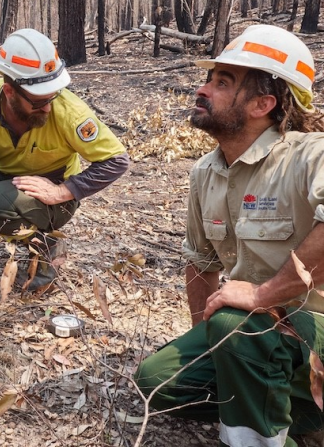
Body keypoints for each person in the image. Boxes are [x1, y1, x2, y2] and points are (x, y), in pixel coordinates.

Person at [134, 24, 324, 447]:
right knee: (158, 382)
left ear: (263, 103)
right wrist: (210, 341)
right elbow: (201, 263)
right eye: (208, 78)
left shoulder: (310, 154)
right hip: (251, 332)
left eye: (222, 82)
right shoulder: (205, 172)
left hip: (316, 329)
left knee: (236, 324)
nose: (203, 90)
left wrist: (261, 296)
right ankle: (297, 408)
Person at [0, 28, 130, 309]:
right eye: (39, 101)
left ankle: (45, 248)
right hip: (8, 177)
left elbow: (116, 160)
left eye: (53, 96)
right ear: (9, 91)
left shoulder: (70, 112)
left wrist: (63, 191)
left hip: (54, 196)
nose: (48, 109)